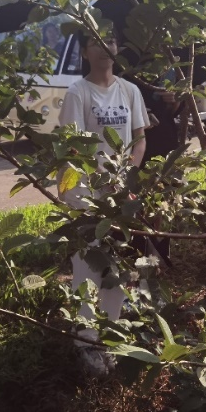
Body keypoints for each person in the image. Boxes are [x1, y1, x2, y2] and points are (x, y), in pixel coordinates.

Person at [58, 30, 148, 376]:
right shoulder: (77, 92)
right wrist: (105, 179)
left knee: (118, 264)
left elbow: (139, 140)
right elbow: (76, 145)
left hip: (120, 193)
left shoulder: (130, 91)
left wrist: (126, 179)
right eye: (95, 42)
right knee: (87, 266)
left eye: (109, 40)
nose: (104, 47)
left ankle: (110, 333)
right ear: (84, 52)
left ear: (117, 48)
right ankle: (85, 339)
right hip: (87, 193)